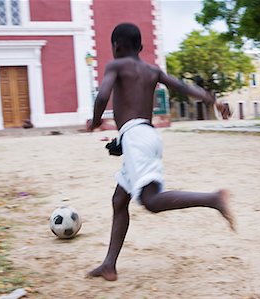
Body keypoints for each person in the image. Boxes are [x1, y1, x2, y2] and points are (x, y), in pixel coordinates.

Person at [86, 23, 235, 281]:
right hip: (145, 134)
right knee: (119, 201)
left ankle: (213, 199)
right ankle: (109, 264)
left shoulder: (116, 66)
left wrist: (96, 120)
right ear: (141, 47)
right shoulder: (152, 70)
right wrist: (215, 101)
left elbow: (102, 97)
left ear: (116, 47)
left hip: (136, 138)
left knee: (151, 201)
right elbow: (183, 87)